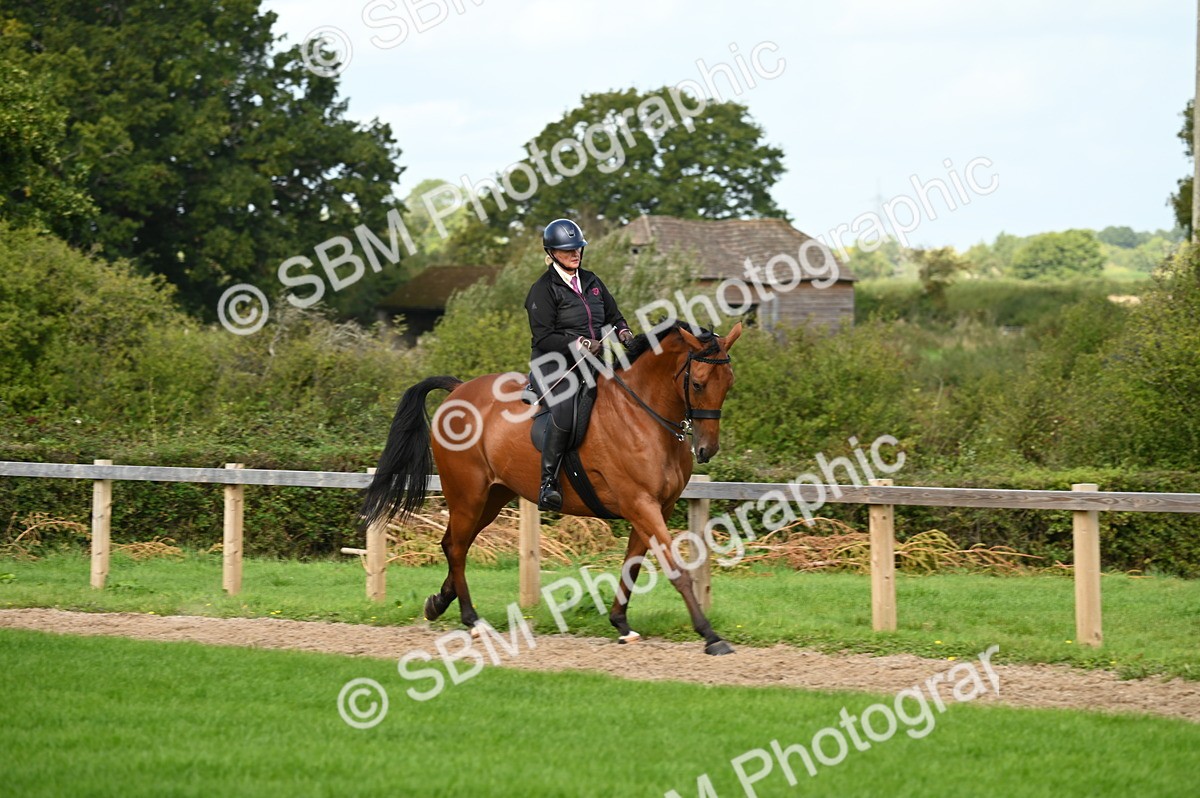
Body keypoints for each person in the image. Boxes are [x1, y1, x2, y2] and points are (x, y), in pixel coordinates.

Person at [524, 218, 634, 511]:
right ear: (552, 252)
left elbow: (614, 314)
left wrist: (623, 331)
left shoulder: (592, 280)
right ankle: (548, 484)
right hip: (554, 364)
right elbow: (544, 336)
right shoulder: (543, 289)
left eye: (578, 248)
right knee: (564, 409)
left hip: (593, 362)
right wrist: (581, 342)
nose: (576, 254)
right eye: (567, 250)